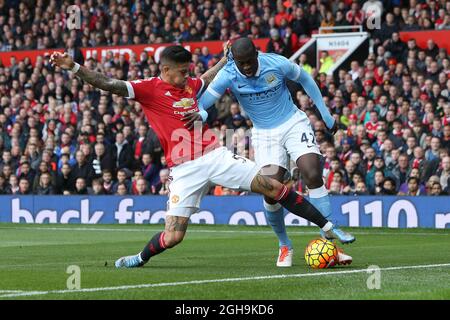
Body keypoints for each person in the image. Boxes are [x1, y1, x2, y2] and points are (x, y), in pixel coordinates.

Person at [50, 45, 350, 270]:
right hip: (183, 169)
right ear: (166, 70)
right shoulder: (148, 89)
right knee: (174, 236)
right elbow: (109, 84)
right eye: (181, 71)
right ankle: (139, 258)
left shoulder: (190, 84)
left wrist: (224, 58)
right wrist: (74, 67)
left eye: (188, 71)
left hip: (215, 155)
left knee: (273, 187)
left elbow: (207, 77)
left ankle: (327, 226)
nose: (187, 77)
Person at [195, 38, 355, 267]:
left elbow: (306, 79)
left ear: (257, 55)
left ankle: (331, 246)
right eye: (242, 63)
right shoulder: (228, 73)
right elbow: (204, 103)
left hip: (292, 123)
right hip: (264, 135)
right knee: (270, 190)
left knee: (311, 173)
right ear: (235, 61)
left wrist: (325, 115)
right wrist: (201, 115)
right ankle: (284, 246)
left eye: (250, 61)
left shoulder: (276, 63)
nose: (247, 67)